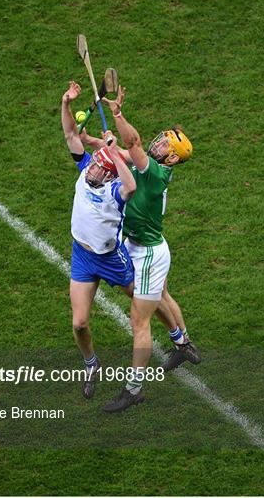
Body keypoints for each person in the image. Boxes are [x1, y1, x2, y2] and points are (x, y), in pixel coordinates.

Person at [80, 86, 200, 413]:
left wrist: (117, 114)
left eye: (166, 143)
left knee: (139, 321)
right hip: (138, 246)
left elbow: (131, 145)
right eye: (161, 138)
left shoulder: (157, 171)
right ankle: (184, 344)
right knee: (161, 296)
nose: (158, 142)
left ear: (173, 157)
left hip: (147, 254)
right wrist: (96, 143)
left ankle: (133, 390)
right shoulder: (146, 165)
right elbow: (124, 153)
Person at [61, 81, 136, 400]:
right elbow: (70, 135)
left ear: (108, 174)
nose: (90, 169)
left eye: (97, 167)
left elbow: (130, 185)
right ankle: (91, 364)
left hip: (110, 258)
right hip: (83, 256)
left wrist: (112, 149)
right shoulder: (84, 169)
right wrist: (65, 104)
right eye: (91, 164)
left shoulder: (116, 190)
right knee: (79, 324)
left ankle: (178, 336)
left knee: (146, 299)